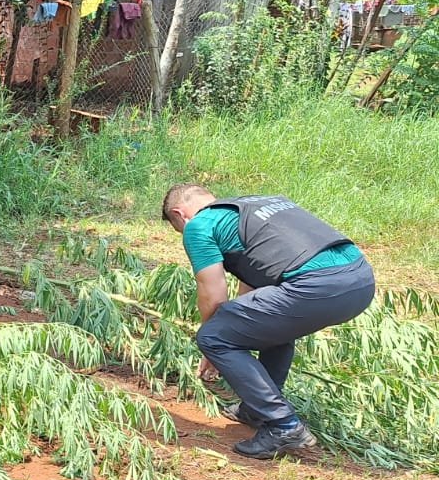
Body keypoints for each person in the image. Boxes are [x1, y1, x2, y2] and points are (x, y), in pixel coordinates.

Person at [161, 185, 376, 457]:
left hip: (317, 286)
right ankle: (257, 409)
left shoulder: (199, 225)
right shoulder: (256, 205)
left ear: (180, 215)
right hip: (360, 279)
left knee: (213, 336)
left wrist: (212, 343)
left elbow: (212, 293)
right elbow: (252, 292)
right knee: (269, 323)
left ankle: (283, 425)